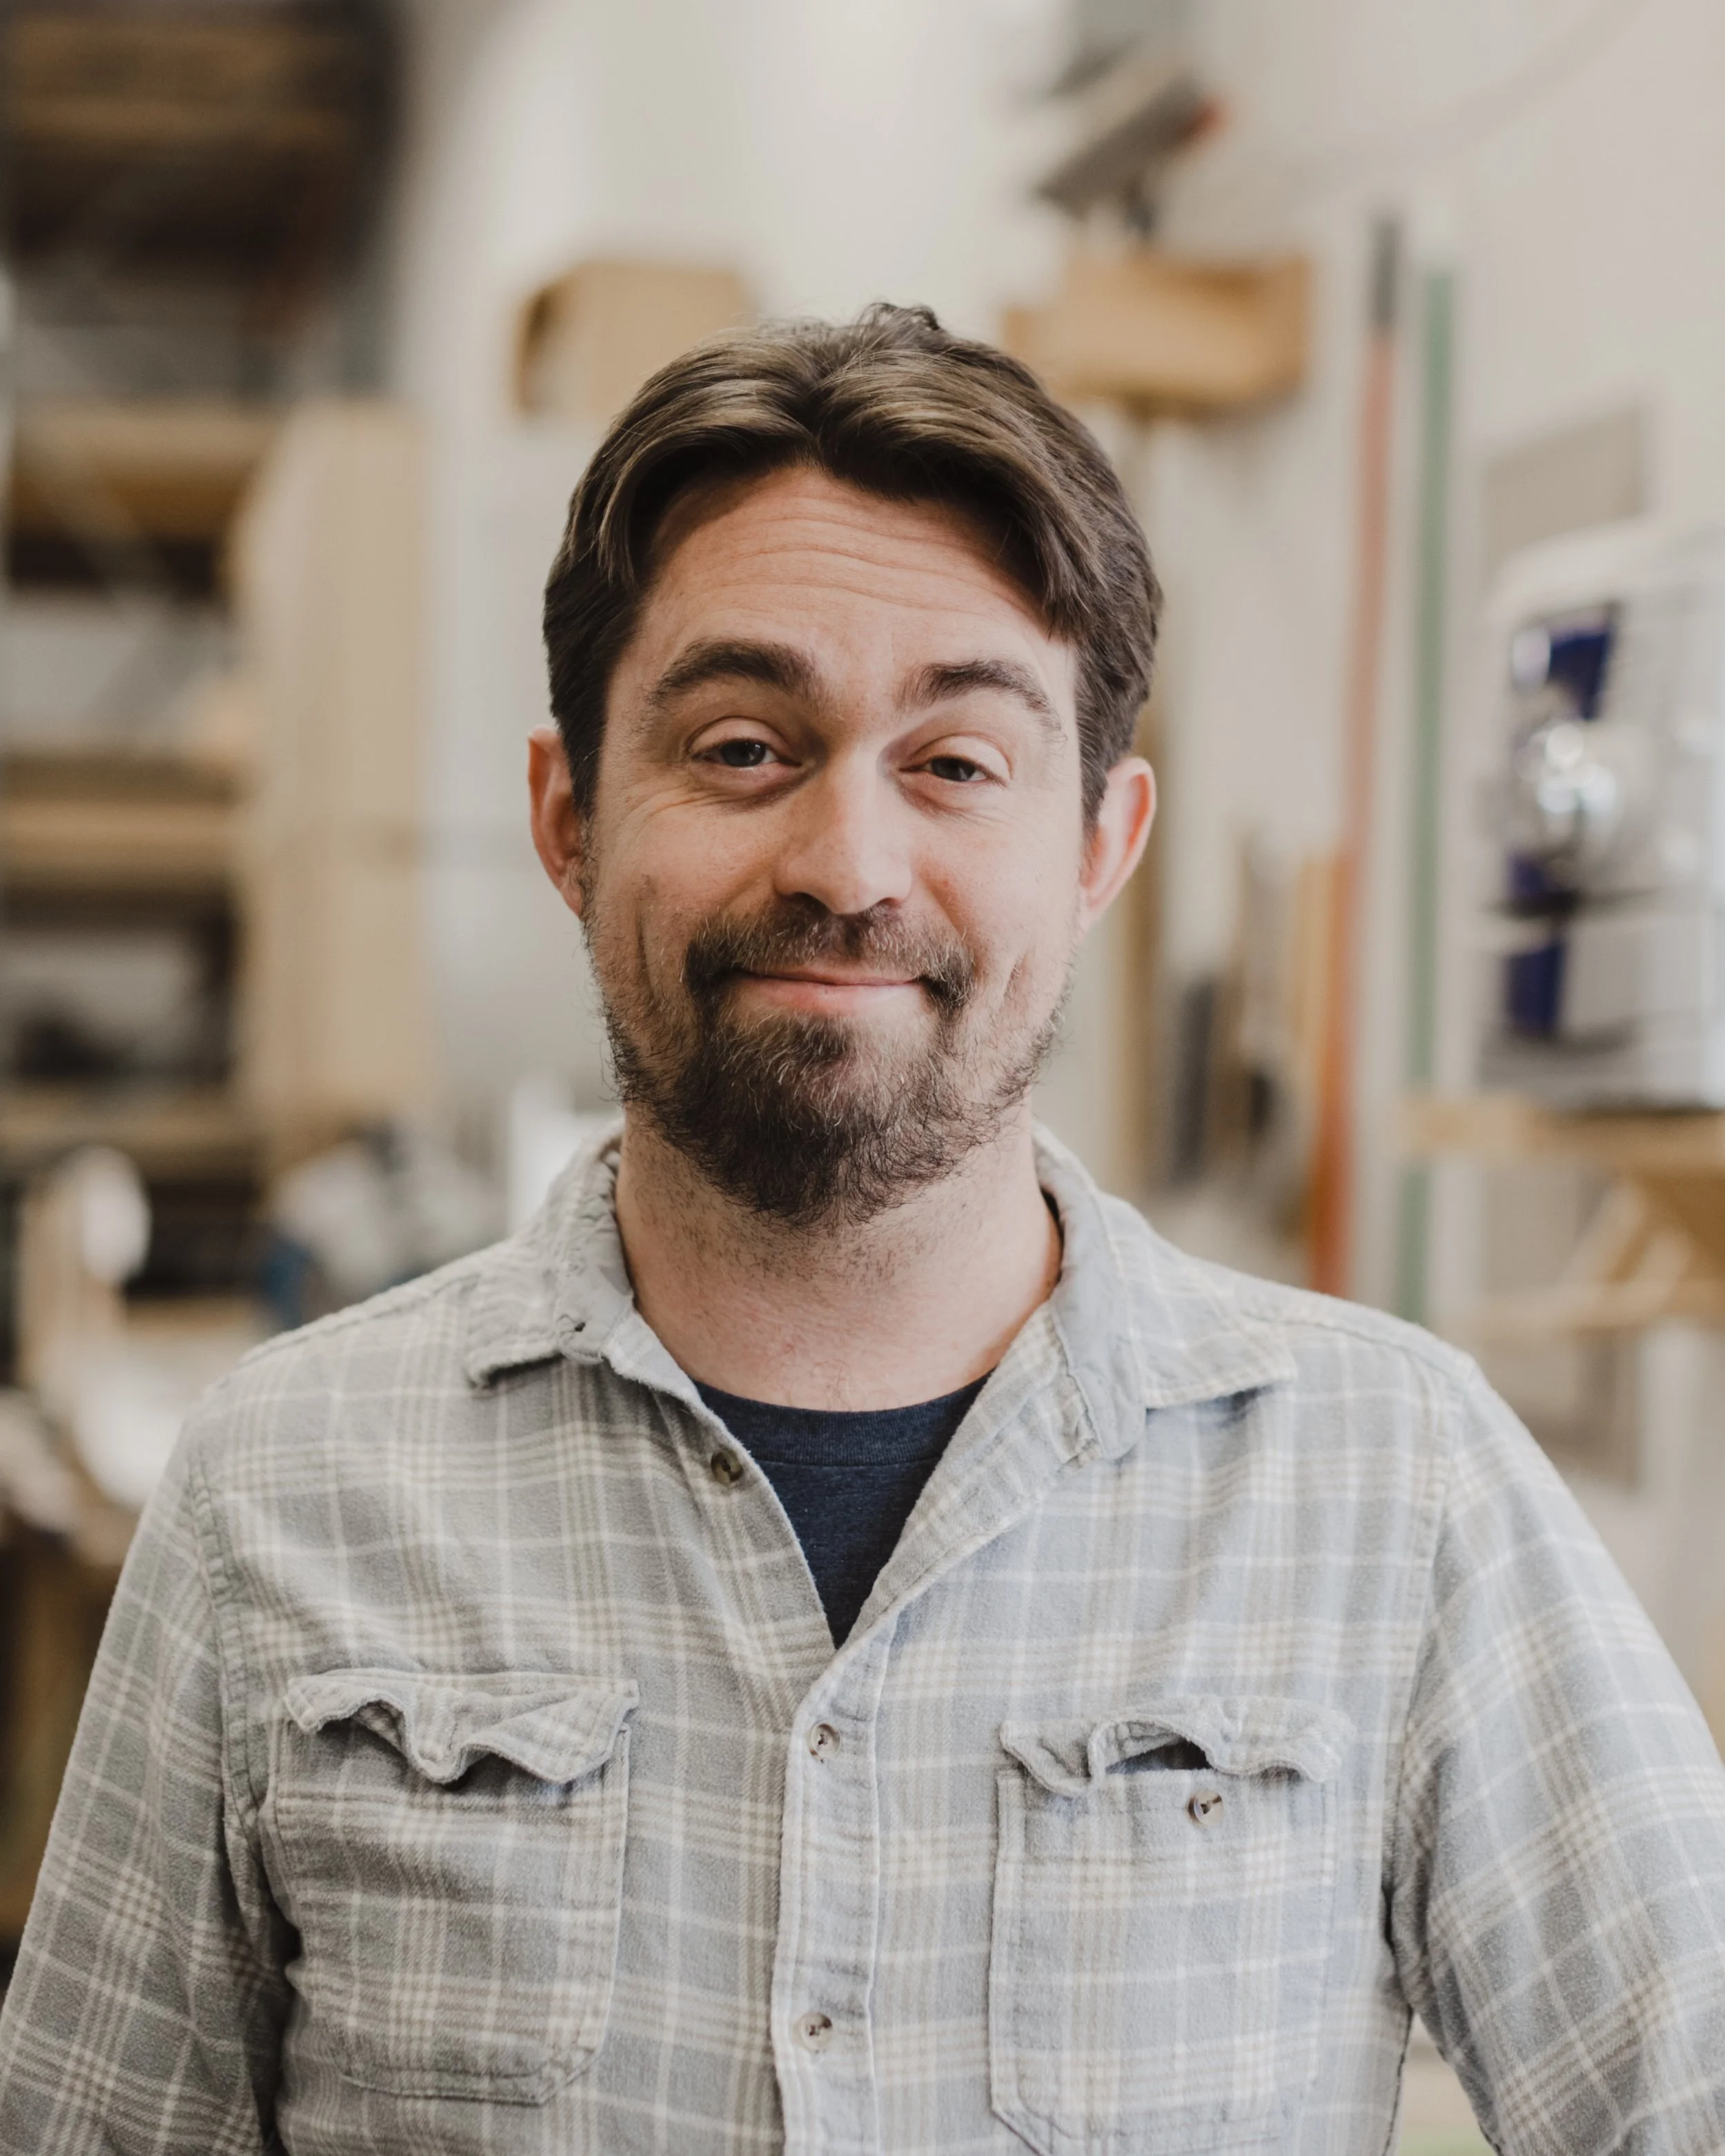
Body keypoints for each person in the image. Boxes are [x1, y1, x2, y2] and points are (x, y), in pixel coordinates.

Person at [1, 304, 1722, 2156]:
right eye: (742, 745)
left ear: (1098, 847)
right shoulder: (280, 1490)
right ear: (568, 819)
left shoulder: (1401, 1488)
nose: (845, 863)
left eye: (957, 762)